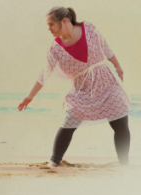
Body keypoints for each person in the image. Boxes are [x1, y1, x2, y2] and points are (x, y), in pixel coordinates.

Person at [18, 7, 131, 167]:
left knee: (120, 121)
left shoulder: (89, 28)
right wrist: (30, 96)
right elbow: (45, 73)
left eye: (51, 24)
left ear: (64, 21)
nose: (49, 29)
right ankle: (54, 162)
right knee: (69, 121)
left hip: (107, 83)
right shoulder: (55, 48)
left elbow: (105, 47)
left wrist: (118, 66)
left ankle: (124, 164)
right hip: (82, 90)